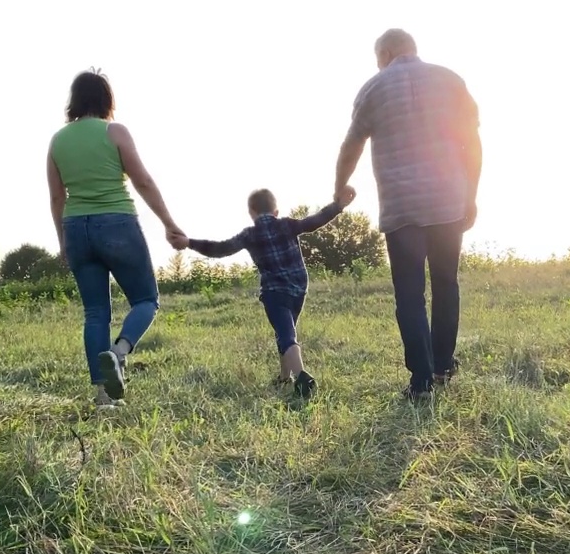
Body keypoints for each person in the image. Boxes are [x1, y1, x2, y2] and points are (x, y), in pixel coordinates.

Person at [332, 28, 483, 401]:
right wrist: (471, 194)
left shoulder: (373, 89)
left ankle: (421, 382)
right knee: (446, 283)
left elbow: (352, 143)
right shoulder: (450, 80)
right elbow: (473, 142)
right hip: (448, 200)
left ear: (383, 54)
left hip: (402, 209)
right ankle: (443, 365)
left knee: (410, 294)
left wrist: (340, 186)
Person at [46, 69, 186, 409]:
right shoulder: (115, 132)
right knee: (146, 299)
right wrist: (169, 223)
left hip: (76, 228)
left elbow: (56, 197)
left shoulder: (58, 141)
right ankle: (119, 353)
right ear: (107, 99)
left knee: (95, 313)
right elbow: (143, 182)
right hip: (117, 224)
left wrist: (63, 241)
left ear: (74, 100)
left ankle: (103, 398)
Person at [171, 186, 357, 398]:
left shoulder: (250, 234)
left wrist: (189, 243)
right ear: (276, 211)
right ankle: (284, 376)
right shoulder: (287, 224)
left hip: (274, 292)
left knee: (286, 334)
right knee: (286, 331)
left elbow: (221, 249)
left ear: (251, 212)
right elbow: (315, 221)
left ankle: (301, 376)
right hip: (298, 289)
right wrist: (338, 206)